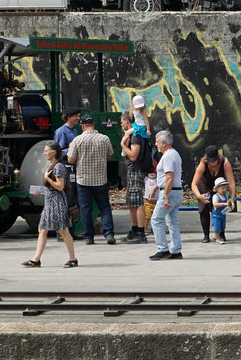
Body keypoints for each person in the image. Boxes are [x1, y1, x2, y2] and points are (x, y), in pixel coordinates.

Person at [22, 141, 78, 268]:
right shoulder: (51, 165)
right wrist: (41, 191)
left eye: (46, 151)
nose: (44, 153)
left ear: (54, 152)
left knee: (63, 230)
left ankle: (73, 259)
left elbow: (60, 186)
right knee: (42, 229)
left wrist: (47, 179)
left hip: (57, 203)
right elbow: (52, 188)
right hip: (50, 203)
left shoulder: (58, 167)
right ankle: (36, 259)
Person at [67, 114, 116, 245]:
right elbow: (109, 155)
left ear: (82, 126)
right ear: (93, 125)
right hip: (100, 179)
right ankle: (109, 234)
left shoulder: (77, 140)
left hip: (83, 180)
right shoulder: (104, 138)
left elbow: (70, 160)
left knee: (85, 208)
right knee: (104, 206)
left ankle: (89, 236)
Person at [148, 129, 183, 260]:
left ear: (164, 142)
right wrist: (156, 187)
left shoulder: (168, 156)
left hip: (170, 192)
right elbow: (167, 177)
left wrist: (165, 197)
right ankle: (176, 250)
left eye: (157, 142)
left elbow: (169, 177)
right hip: (176, 191)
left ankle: (162, 249)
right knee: (172, 221)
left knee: (156, 219)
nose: (156, 144)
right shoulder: (174, 154)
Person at [119, 111, 151, 243]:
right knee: (131, 202)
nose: (121, 124)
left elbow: (133, 156)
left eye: (121, 121)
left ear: (127, 121)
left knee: (137, 202)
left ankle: (141, 233)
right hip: (132, 170)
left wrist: (122, 146)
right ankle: (134, 230)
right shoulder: (132, 135)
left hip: (136, 171)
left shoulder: (136, 136)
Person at [192, 145, 235, 243]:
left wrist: (232, 198)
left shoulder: (225, 162)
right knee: (204, 206)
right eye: (210, 161)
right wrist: (199, 196)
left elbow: (231, 182)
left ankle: (221, 234)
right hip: (204, 184)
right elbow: (194, 184)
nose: (213, 163)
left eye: (214, 160)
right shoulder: (203, 164)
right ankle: (206, 235)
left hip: (219, 184)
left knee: (221, 206)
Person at [210, 177, 230, 244]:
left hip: (223, 215)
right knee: (217, 226)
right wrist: (224, 204)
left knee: (222, 227)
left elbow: (227, 204)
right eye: (222, 188)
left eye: (225, 188)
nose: (224, 190)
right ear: (217, 189)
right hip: (216, 215)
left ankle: (217, 236)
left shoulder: (225, 196)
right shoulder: (215, 196)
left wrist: (229, 207)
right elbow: (215, 204)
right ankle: (217, 238)